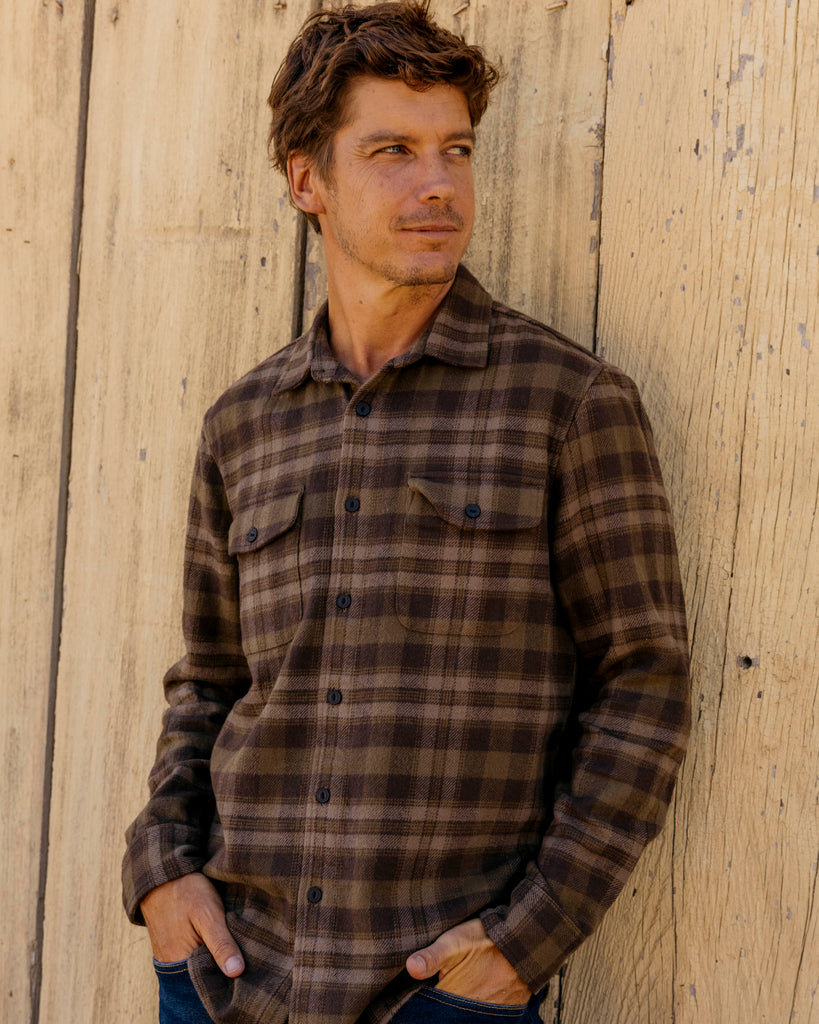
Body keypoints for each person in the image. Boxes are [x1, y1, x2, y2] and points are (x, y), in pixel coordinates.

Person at [122, 3, 691, 1023]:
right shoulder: (243, 424)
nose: (439, 184)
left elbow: (643, 685)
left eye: (455, 150)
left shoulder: (568, 404)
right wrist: (162, 869)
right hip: (227, 982)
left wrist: (526, 942)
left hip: (436, 995)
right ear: (307, 181)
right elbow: (209, 679)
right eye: (393, 151)